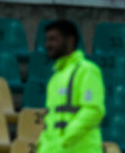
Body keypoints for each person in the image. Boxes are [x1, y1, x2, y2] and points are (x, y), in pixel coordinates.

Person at [37, 19, 105, 153]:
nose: (47, 45)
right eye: (47, 40)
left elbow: (93, 111)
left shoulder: (87, 70)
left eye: (53, 39)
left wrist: (64, 140)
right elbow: (51, 122)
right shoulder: (55, 78)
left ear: (70, 40)